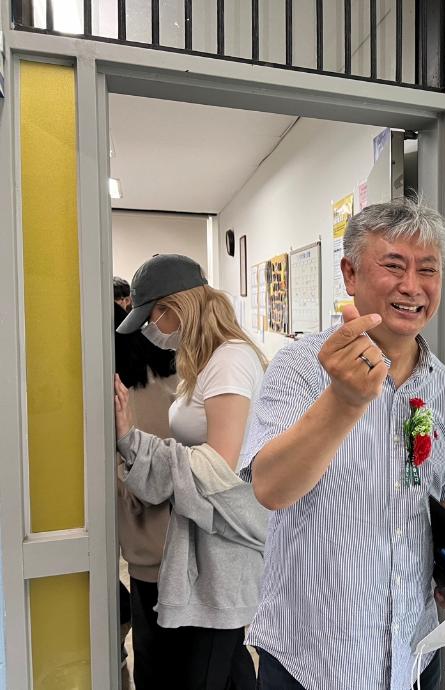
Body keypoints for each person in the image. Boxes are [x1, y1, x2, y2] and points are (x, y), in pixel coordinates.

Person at [238, 198, 445, 690]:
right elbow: (270, 488)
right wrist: (343, 401)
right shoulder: (301, 365)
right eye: (394, 266)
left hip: (413, 652)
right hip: (312, 657)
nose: (412, 286)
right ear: (350, 274)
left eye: (428, 269)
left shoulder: (444, 389)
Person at [113, 254, 268, 690]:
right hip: (206, 543)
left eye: (153, 317)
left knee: (206, 673)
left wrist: (135, 444)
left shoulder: (230, 361)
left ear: (175, 308)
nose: (150, 329)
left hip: (222, 550)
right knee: (225, 669)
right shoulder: (206, 361)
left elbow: (217, 468)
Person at [114, 282, 177, 690]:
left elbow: (128, 475)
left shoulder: (117, 386)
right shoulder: (176, 368)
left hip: (146, 544)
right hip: (187, 532)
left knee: (154, 655)